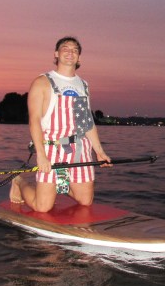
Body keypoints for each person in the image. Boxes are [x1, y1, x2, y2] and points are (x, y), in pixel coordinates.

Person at [10, 36, 111, 212]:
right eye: (65, 48)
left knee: (85, 201)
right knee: (42, 208)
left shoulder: (83, 85)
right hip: (52, 148)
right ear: (56, 54)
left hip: (79, 148)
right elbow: (34, 120)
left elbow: (87, 122)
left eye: (75, 50)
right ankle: (19, 181)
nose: (70, 52)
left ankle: (60, 183)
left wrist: (100, 152)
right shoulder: (42, 82)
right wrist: (41, 155)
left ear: (79, 58)